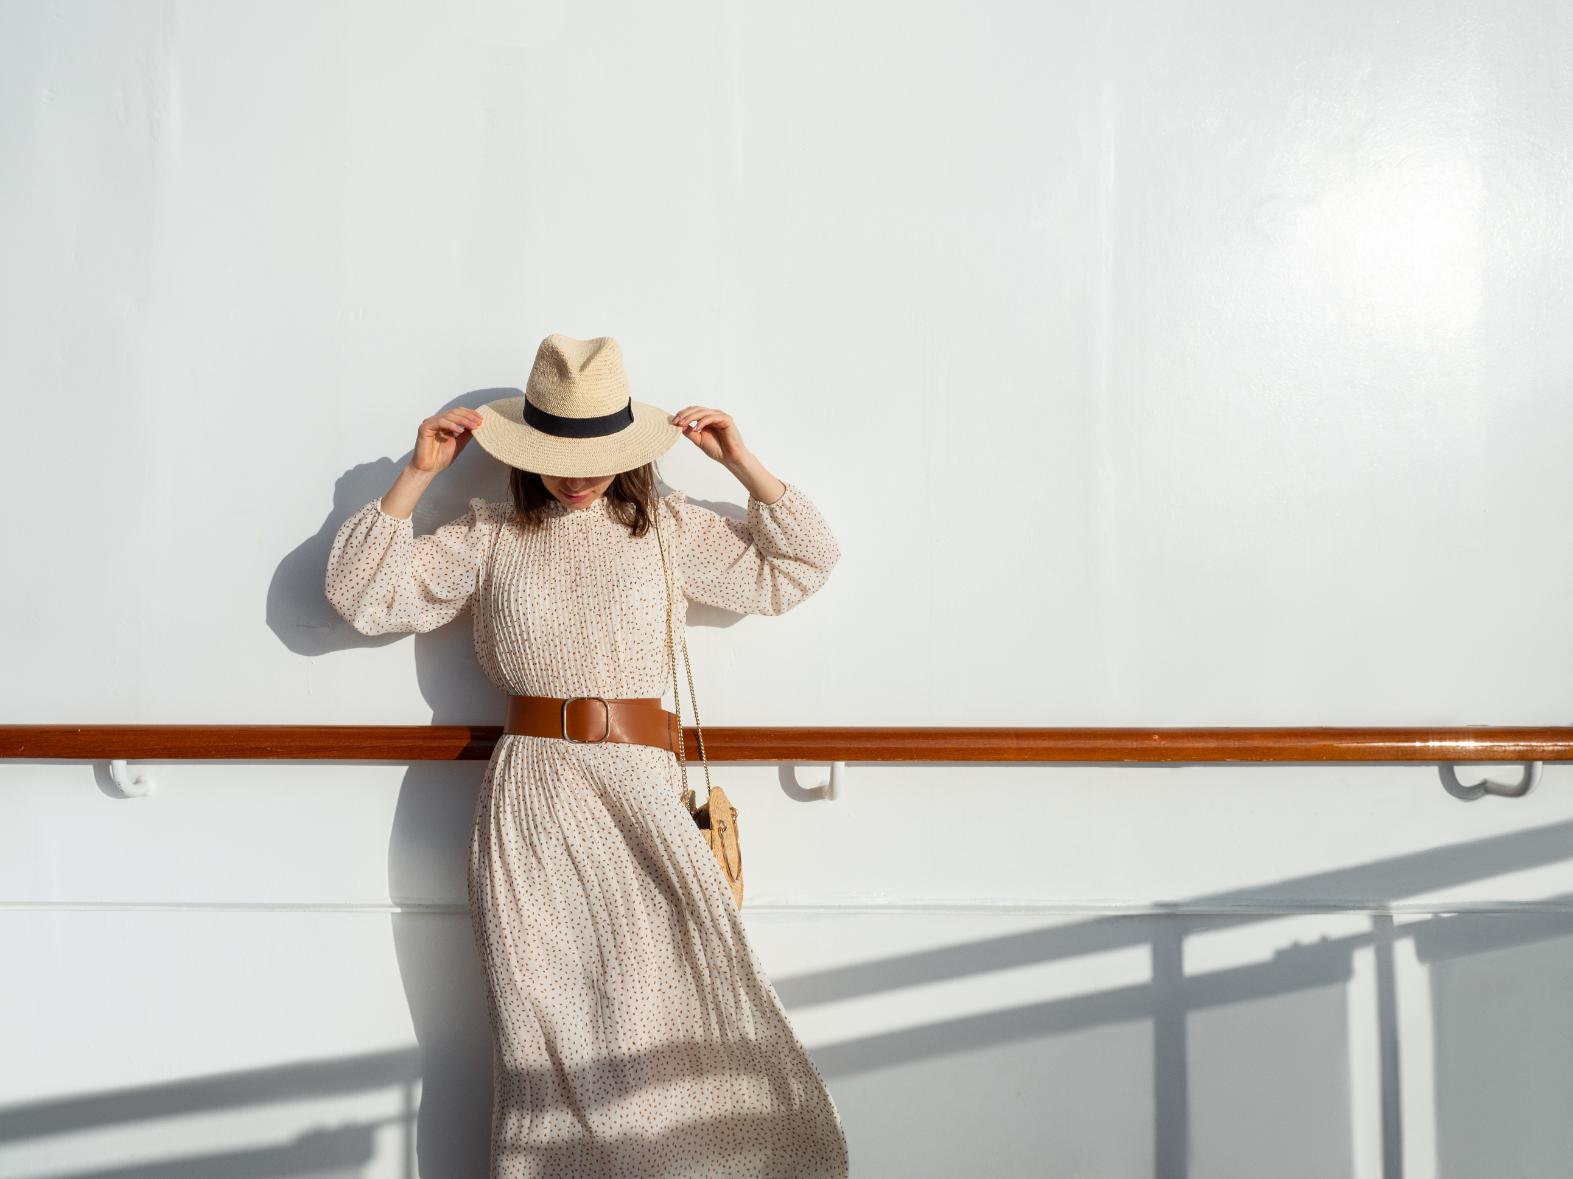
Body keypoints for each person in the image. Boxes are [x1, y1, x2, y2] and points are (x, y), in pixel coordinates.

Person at [324, 333, 848, 1178]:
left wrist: (740, 462)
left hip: (642, 790)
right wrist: (414, 477)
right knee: (550, 1032)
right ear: (526, 451)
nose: (576, 475)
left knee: (683, 1011)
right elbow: (360, 595)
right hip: (533, 798)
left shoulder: (669, 526)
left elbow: (802, 564)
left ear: (629, 449)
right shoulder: (489, 533)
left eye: (597, 454)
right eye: (557, 454)